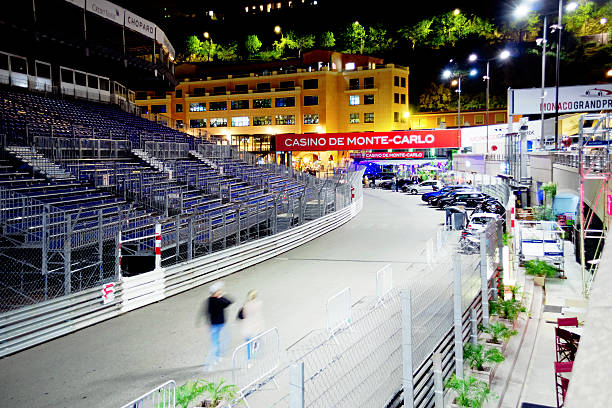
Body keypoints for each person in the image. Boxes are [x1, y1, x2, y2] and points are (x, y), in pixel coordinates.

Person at [204, 281, 232, 370]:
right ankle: (213, 359)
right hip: (221, 324)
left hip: (213, 324)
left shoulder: (209, 300)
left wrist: (207, 323)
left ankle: (215, 357)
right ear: (216, 292)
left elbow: (207, 312)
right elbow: (229, 302)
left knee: (215, 342)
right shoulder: (219, 301)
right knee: (224, 340)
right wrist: (222, 296)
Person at [240, 290, 264, 366]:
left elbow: (243, 315)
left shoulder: (245, 305)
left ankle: (249, 360)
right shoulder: (258, 304)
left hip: (247, 328)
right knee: (256, 342)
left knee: (248, 345)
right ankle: (255, 356)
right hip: (254, 328)